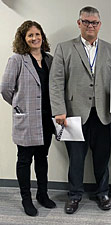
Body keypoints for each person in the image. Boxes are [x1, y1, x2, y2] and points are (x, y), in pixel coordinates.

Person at [49, 6, 111, 214]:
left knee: (102, 158)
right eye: (87, 21)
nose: (91, 25)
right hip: (73, 114)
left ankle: (102, 193)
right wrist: (59, 111)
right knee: (77, 159)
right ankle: (74, 195)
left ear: (100, 25)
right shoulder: (64, 48)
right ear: (79, 23)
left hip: (103, 114)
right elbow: (56, 82)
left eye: (95, 22)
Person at [0, 20, 56, 217]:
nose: (35, 38)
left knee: (42, 159)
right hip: (27, 119)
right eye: (30, 35)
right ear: (24, 39)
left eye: (37, 34)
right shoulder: (17, 59)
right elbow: (5, 89)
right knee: (24, 160)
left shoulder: (49, 59)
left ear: (42, 36)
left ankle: (43, 194)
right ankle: (26, 199)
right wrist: (18, 106)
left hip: (46, 120)